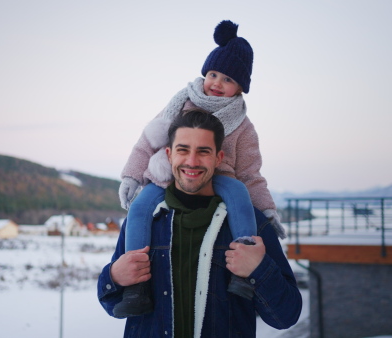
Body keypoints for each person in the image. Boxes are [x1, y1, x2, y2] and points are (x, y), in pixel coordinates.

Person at [116, 19, 284, 316]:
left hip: (221, 179)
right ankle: (135, 285)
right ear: (205, 73)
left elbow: (250, 173)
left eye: (228, 79)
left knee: (239, 194)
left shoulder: (243, 127)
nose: (218, 83)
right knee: (140, 207)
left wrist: (267, 210)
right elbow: (147, 141)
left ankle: (241, 270)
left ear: (240, 87)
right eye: (214, 74)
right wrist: (132, 175)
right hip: (170, 174)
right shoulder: (181, 104)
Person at [98, 110, 302, 337]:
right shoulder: (145, 222)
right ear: (169, 155)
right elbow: (112, 306)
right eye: (183, 150)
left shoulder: (253, 224)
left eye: (203, 152)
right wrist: (114, 277)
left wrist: (259, 269)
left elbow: (287, 316)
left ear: (218, 158)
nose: (192, 162)